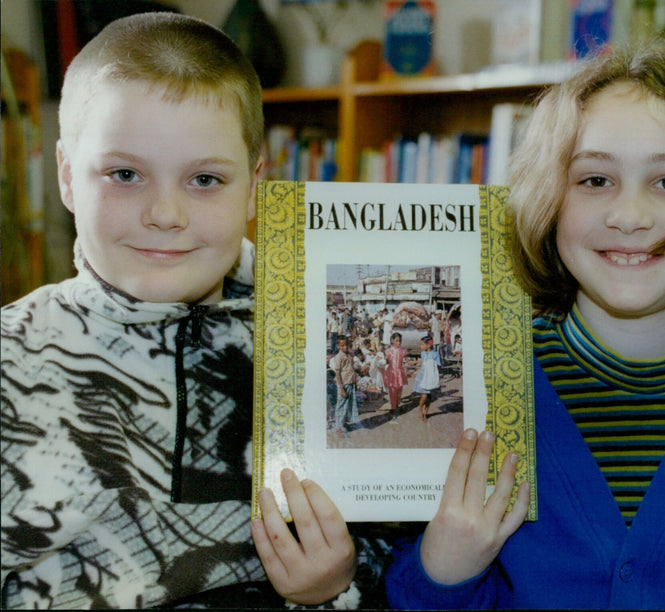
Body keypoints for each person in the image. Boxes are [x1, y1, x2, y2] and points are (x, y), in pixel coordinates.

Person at [385, 38, 665, 610]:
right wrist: (444, 570)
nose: (629, 216)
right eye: (595, 180)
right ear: (549, 201)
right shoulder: (481, 389)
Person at [0, 13, 387, 609]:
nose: (166, 213)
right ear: (67, 176)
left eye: (204, 179)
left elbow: (406, 557)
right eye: (124, 174)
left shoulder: (324, 329)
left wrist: (333, 589)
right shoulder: (14, 358)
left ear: (255, 184)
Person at [331, 336, 361, 435]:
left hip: (351, 383)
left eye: (346, 345)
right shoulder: (338, 357)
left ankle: (343, 423)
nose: (345, 347)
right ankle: (338, 428)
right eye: (342, 346)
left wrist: (349, 349)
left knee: (347, 405)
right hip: (344, 384)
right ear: (338, 346)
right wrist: (341, 388)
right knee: (341, 405)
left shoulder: (349, 354)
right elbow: (338, 374)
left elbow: (353, 356)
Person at [412, 336, 442, 422]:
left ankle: (425, 413)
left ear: (428, 345)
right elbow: (423, 366)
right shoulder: (423, 354)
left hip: (430, 378)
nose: (420, 346)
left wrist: (436, 378)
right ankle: (420, 408)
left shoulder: (435, 354)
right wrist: (416, 371)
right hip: (422, 377)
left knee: (429, 397)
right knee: (424, 395)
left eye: (422, 344)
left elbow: (438, 366)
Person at [383, 332, 408, 422]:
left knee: (399, 390)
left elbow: (405, 361)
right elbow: (385, 361)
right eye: (396, 341)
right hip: (391, 372)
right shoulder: (388, 351)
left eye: (399, 341)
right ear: (392, 340)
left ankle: (397, 404)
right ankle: (393, 408)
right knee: (392, 391)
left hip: (399, 372)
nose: (398, 343)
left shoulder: (402, 351)